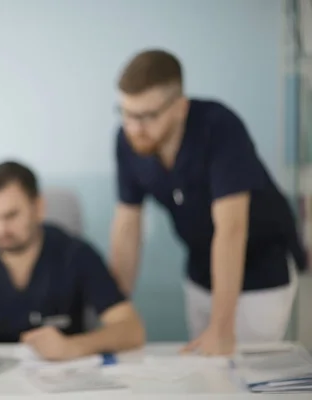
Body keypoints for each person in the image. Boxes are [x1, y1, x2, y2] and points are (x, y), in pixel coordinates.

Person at [109, 49, 306, 356]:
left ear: (179, 107)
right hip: (201, 271)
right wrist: (115, 312)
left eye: (147, 116)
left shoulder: (219, 127)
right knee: (205, 371)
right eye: (126, 113)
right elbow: (126, 227)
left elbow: (231, 229)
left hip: (261, 269)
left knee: (242, 370)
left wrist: (221, 328)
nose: (134, 127)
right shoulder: (128, 140)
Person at [0, 161, 145, 361]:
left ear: (38, 207)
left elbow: (131, 330)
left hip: (64, 378)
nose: (0, 229)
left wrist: (72, 347)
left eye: (11, 215)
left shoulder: (75, 254)